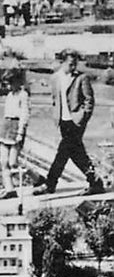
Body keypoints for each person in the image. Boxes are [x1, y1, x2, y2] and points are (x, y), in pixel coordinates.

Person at [36, 49, 105, 195]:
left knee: (63, 151)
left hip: (76, 121)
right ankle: (95, 182)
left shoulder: (82, 78)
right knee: (76, 153)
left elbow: (89, 100)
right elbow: (55, 98)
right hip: (63, 121)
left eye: (75, 64)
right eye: (70, 64)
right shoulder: (55, 78)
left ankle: (50, 183)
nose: (73, 67)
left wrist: (83, 117)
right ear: (62, 63)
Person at [0, 69, 30, 200]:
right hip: (6, 126)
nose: (9, 87)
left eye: (11, 83)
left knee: (13, 162)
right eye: (7, 84)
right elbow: (7, 114)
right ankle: (9, 189)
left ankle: (37, 178)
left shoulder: (23, 95)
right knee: (3, 161)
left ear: (17, 81)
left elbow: (24, 114)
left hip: (16, 127)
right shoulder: (9, 95)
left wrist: (20, 132)